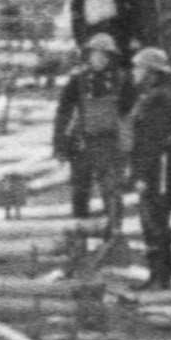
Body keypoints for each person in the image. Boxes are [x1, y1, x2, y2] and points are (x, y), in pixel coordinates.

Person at [122, 46, 171, 292]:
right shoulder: (157, 95)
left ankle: (161, 279)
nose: (134, 72)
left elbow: (151, 143)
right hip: (157, 168)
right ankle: (160, 276)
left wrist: (141, 176)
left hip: (156, 171)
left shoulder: (157, 100)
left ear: (151, 72)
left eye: (138, 68)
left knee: (154, 223)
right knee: (155, 223)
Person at [55, 49, 128, 222]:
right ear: (89, 57)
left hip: (110, 142)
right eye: (96, 55)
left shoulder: (121, 80)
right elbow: (63, 113)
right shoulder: (78, 80)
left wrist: (128, 145)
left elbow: (129, 114)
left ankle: (114, 230)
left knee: (111, 189)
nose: (100, 59)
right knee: (80, 189)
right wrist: (60, 145)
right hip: (82, 142)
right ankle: (80, 229)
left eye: (104, 55)